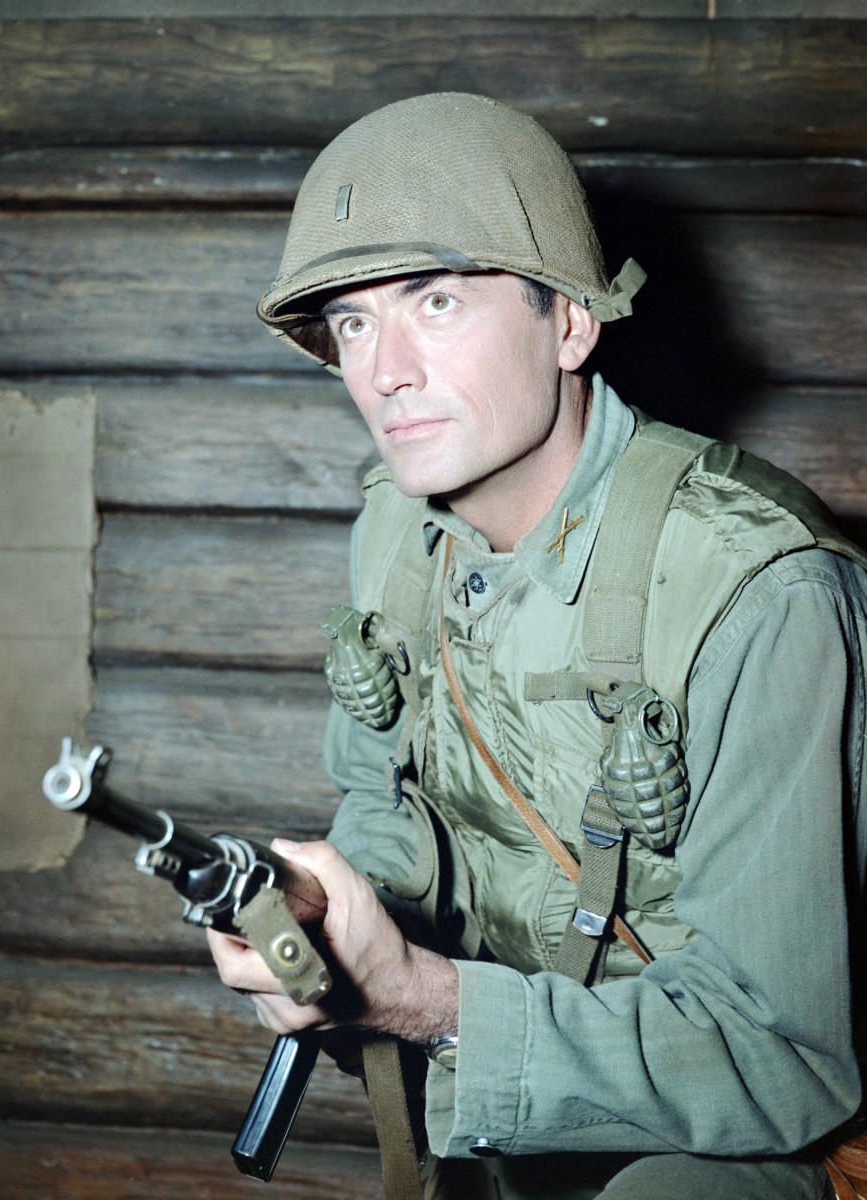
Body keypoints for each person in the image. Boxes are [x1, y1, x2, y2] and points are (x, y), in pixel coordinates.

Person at [207, 92, 866, 1199]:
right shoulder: (398, 534)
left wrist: (423, 996)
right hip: (521, 1111)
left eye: (436, 300)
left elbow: (789, 1057)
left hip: (756, 1140)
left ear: (569, 322)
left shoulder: (762, 591)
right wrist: (321, 925)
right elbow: (385, 808)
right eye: (356, 321)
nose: (386, 369)